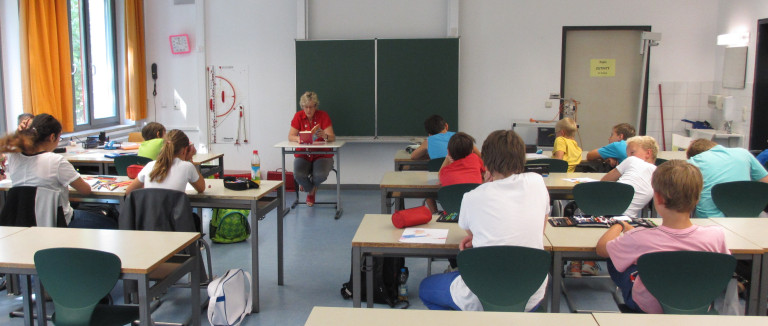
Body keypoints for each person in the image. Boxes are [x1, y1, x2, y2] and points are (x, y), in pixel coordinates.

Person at [419, 129, 550, 312]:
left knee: (426, 288)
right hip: (529, 293)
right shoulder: (537, 182)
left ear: (486, 162)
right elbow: (540, 230)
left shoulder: (472, 197)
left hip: (480, 294)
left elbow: (473, 234)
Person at [596, 160, 730, 313]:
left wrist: (619, 225)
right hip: (699, 304)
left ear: (658, 198)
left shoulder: (637, 238)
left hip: (648, 306)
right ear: (697, 198)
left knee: (618, 259)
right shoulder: (716, 235)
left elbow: (602, 248)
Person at [0, 113, 117, 229]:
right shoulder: (56, 161)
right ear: (52, 137)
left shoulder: (14, 157)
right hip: (59, 223)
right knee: (111, 223)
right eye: (59, 137)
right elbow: (85, 190)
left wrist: (18, 134)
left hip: (21, 226)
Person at [686, 139, 768, 217]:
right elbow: (765, 182)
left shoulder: (693, 162)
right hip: (747, 216)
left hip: (710, 219)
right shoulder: (743, 153)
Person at [288, 91, 335, 207]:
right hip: (304, 154)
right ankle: (311, 190)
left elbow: (332, 137)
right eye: (306, 107)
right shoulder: (298, 116)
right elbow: (290, 136)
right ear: (302, 106)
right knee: (298, 175)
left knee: (321, 175)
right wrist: (298, 139)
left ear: (316, 106)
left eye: (311, 107)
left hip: (322, 154)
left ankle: (310, 189)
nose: (308, 110)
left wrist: (325, 136)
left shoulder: (323, 115)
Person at [125, 129, 205, 196]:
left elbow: (129, 191)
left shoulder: (150, 165)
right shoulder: (187, 167)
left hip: (150, 214)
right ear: (185, 150)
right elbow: (201, 188)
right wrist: (188, 161)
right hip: (175, 214)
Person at [600, 135, 658, 218]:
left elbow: (603, 182)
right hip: (628, 219)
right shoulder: (658, 173)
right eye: (627, 155)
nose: (628, 157)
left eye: (632, 153)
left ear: (648, 153)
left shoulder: (632, 160)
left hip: (604, 211)